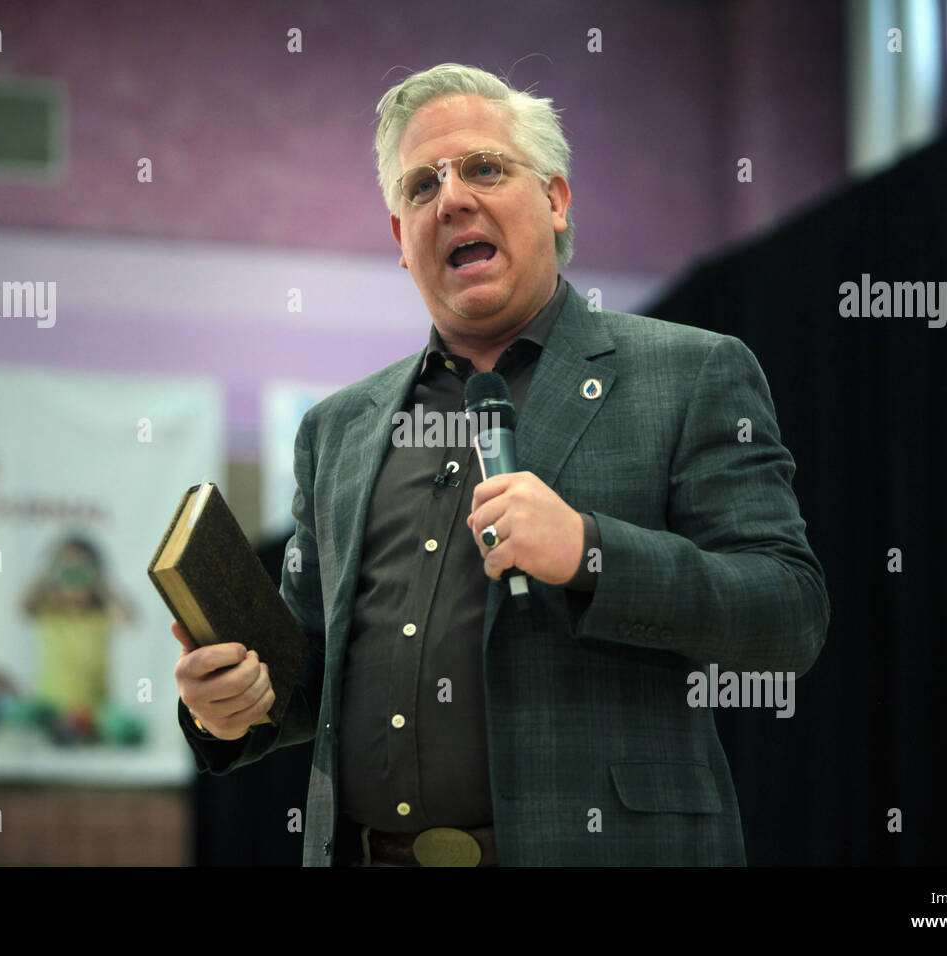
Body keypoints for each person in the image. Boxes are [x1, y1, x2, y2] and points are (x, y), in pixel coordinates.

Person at [172, 63, 829, 866]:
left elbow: (789, 613)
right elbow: (311, 674)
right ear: (400, 244)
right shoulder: (336, 430)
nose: (450, 200)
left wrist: (591, 549)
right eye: (421, 187)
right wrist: (234, 707)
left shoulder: (690, 374)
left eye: (484, 168)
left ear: (555, 200)